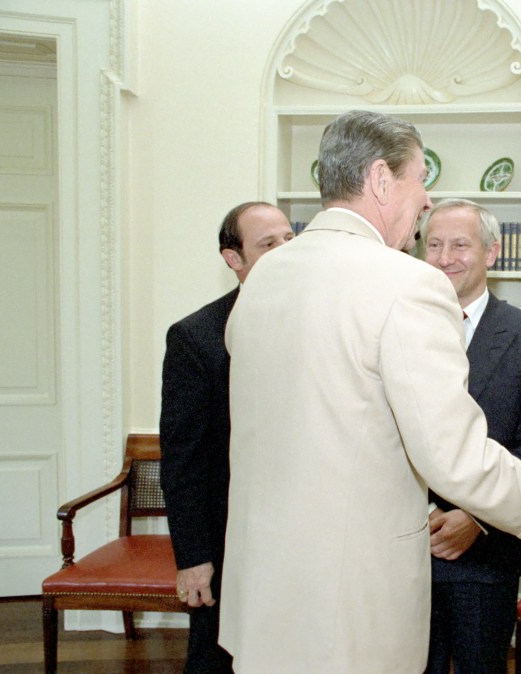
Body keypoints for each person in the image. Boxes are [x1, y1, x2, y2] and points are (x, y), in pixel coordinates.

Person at [218, 110, 521, 673]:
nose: (425, 201)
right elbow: (453, 456)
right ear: (380, 179)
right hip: (352, 601)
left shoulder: (265, 276)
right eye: (421, 180)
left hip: (265, 588)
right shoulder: (406, 282)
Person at [418, 198, 521, 674]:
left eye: (460, 244)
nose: (444, 257)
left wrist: (475, 518)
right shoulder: (399, 328)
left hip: (486, 553)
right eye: (433, 244)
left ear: (492, 253)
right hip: (405, 545)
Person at [159, 201, 294, 674]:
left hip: (300, 536)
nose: (283, 251)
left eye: (289, 240)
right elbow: (183, 461)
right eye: (268, 244)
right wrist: (194, 558)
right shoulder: (195, 338)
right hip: (227, 539)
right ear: (233, 259)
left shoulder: (320, 321)